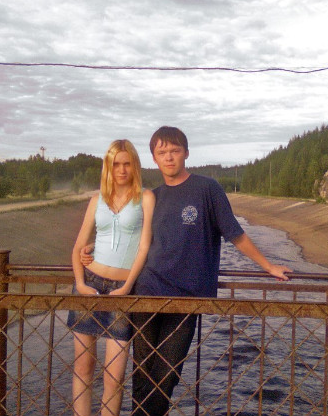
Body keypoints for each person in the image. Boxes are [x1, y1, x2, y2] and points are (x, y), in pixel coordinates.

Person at [82, 126, 291, 416]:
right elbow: (131, 236)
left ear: (186, 153)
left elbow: (234, 233)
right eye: (162, 152)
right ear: (154, 158)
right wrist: (95, 246)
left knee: (166, 375)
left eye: (175, 151)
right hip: (146, 292)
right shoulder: (152, 197)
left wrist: (268, 265)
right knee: (142, 373)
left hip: (185, 298)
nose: (169, 157)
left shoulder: (207, 189)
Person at [67, 139, 155, 416]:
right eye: (116, 164)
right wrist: (80, 284)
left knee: (114, 376)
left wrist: (127, 286)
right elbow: (78, 246)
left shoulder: (145, 198)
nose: (122, 170)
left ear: (135, 165)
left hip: (121, 289)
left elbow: (144, 246)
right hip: (90, 284)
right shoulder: (97, 201)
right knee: (83, 367)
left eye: (127, 163)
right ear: (108, 167)